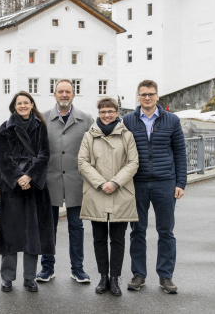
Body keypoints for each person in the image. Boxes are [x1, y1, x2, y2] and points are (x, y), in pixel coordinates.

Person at [123, 80, 186, 294]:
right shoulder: (128, 120)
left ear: (157, 96)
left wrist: (180, 182)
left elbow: (179, 153)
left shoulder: (172, 120)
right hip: (137, 183)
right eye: (143, 94)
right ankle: (138, 275)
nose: (147, 98)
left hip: (165, 183)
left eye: (151, 94)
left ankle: (166, 276)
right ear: (138, 97)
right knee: (137, 231)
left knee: (165, 231)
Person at [77, 98, 139, 297]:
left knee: (118, 239)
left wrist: (115, 182)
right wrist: (101, 183)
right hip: (96, 193)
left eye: (110, 111)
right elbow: (83, 162)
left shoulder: (127, 136)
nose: (107, 115)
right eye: (103, 111)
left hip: (120, 192)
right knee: (99, 238)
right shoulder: (89, 136)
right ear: (99, 113)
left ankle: (115, 279)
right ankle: (103, 277)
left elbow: (133, 163)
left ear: (117, 112)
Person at [0, 91, 53, 293]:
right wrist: (18, 178)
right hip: (12, 188)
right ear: (14, 106)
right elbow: (3, 158)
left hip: (35, 187)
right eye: (19, 103)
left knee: (33, 234)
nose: (22, 106)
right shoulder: (5, 128)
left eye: (25, 103)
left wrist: (30, 176)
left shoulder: (40, 127)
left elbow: (45, 155)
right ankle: (7, 278)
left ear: (31, 105)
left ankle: (30, 277)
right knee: (11, 234)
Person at [39, 79, 94, 283]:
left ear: (73, 95)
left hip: (76, 181)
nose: (64, 94)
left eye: (68, 91)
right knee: (48, 227)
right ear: (55, 95)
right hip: (50, 181)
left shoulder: (86, 119)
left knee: (76, 227)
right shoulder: (43, 118)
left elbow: (95, 149)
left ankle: (77, 269)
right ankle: (47, 268)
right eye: (60, 91)